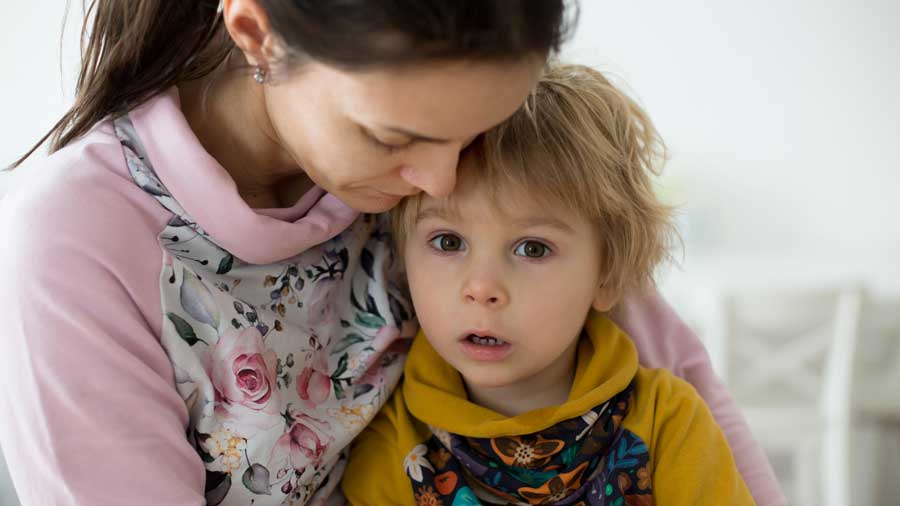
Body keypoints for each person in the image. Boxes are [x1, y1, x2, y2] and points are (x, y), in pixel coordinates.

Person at [0, 1, 783, 505]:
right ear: (256, 35)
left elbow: (674, 377)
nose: (441, 179)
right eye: (396, 139)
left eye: (475, 135)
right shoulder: (79, 241)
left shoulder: (443, 126)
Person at [340, 64, 755, 505]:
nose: (481, 287)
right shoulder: (390, 448)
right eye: (448, 241)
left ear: (608, 275)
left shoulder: (669, 423)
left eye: (532, 249)